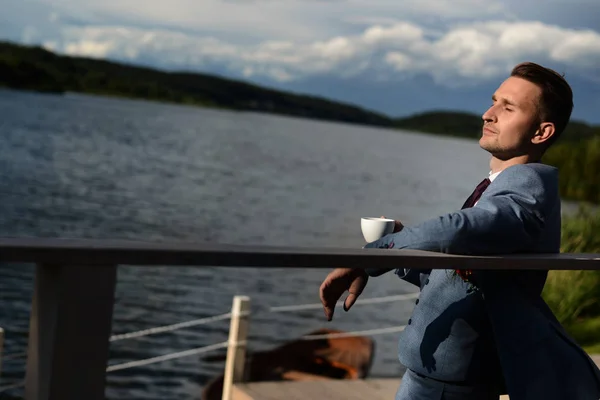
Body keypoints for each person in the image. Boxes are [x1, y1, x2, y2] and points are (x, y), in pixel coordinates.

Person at [319, 62, 600, 400]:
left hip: (447, 387)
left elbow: (460, 228)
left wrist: (374, 254)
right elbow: (462, 276)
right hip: (435, 377)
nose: (488, 114)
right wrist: (401, 243)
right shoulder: (498, 189)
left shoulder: (527, 188)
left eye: (507, 107)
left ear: (541, 133)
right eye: (494, 100)